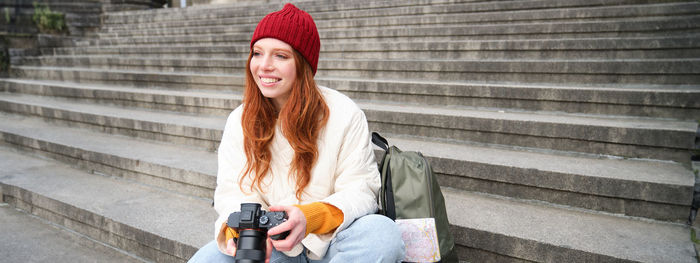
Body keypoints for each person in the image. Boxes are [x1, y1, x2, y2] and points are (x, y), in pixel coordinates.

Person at [188, 3, 405, 263]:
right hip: (272, 247)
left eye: (280, 56)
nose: (264, 65)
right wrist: (247, 232)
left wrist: (309, 218)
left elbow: (361, 190)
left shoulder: (345, 113)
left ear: (303, 64)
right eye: (258, 53)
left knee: (382, 235)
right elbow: (233, 191)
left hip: (332, 241)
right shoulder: (239, 120)